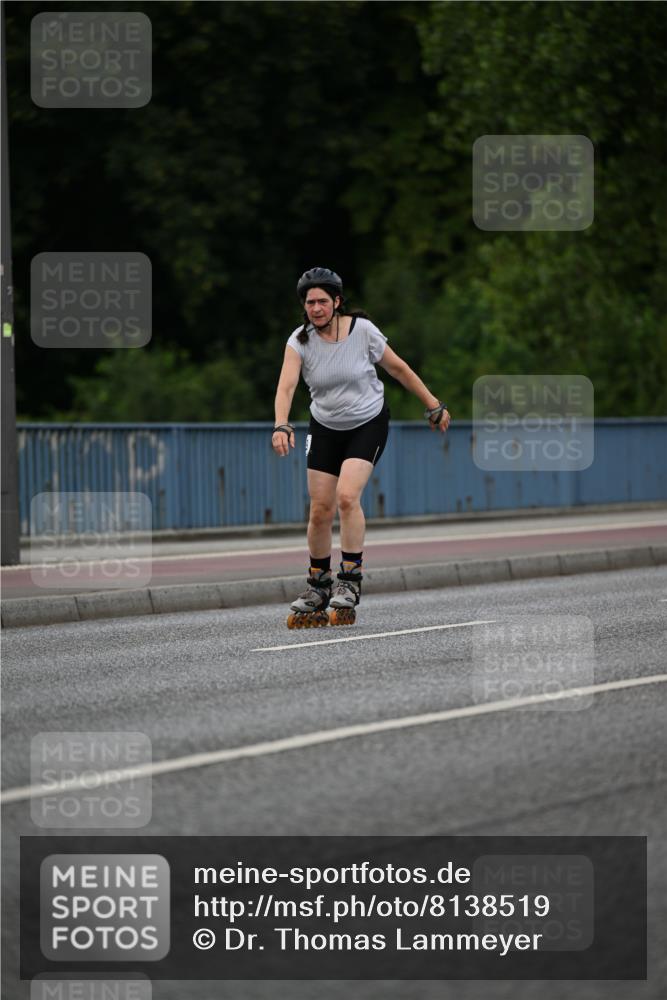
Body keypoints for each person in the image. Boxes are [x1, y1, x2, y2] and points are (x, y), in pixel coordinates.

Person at [272, 266, 450, 628]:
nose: (316, 308)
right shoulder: (299, 341)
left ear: (337, 302)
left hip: (367, 423)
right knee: (320, 509)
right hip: (324, 426)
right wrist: (281, 424)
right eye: (310, 303)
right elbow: (287, 386)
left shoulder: (362, 331)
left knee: (346, 497)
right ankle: (318, 586)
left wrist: (433, 404)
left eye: (323, 301)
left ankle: (350, 581)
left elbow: (399, 369)